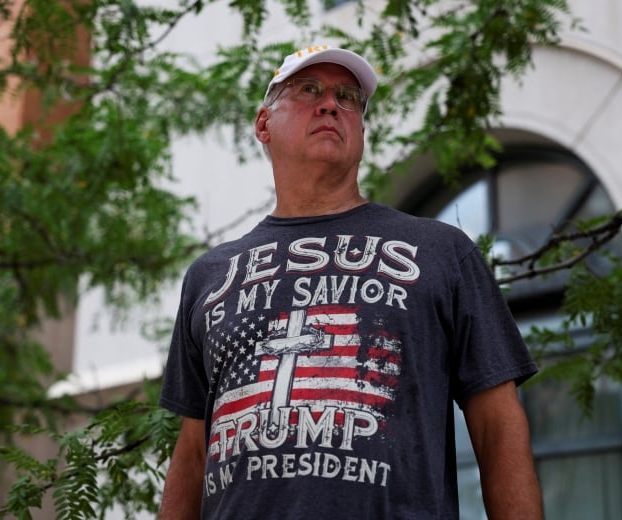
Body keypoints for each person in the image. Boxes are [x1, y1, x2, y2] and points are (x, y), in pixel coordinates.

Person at [158, 45, 543, 519]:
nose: (330, 104)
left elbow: (498, 426)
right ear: (263, 125)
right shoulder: (209, 276)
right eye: (308, 90)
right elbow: (195, 451)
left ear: (360, 129)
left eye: (348, 98)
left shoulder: (442, 252)